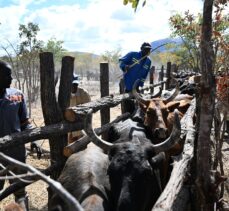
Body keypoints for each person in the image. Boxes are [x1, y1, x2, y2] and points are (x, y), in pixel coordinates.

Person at [0, 60, 31, 211]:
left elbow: (25, 123)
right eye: (7, 75)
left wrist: (34, 140)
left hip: (17, 155)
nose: (11, 78)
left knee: (20, 192)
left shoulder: (17, 96)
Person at [119, 42, 152, 114]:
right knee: (127, 106)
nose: (147, 51)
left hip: (137, 87)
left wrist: (140, 85)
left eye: (149, 50)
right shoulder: (133, 54)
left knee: (137, 107)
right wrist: (125, 67)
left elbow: (145, 75)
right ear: (141, 49)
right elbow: (121, 62)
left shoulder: (149, 61)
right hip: (127, 85)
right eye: (145, 49)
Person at [67, 74, 91, 144]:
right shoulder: (65, 94)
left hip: (81, 126)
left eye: (75, 84)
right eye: (72, 84)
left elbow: (89, 111)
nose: (74, 86)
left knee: (81, 148)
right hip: (69, 126)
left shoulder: (84, 93)